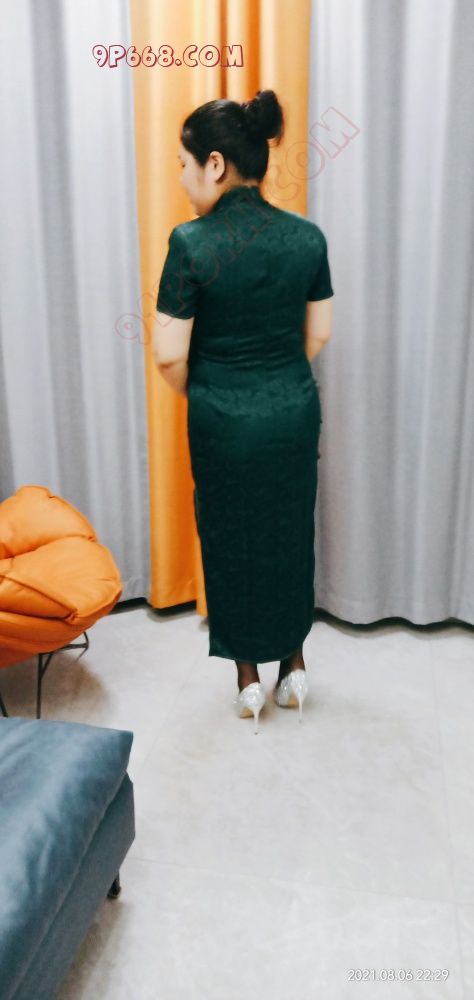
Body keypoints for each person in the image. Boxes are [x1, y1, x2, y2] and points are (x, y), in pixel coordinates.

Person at [154, 90, 334, 734]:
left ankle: (248, 679)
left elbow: (168, 356)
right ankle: (296, 666)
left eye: (184, 164)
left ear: (216, 164)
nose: (181, 179)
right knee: (289, 531)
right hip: (292, 412)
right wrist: (275, 378)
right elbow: (318, 335)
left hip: (223, 420)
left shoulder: (191, 243)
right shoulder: (307, 238)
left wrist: (214, 391)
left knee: (231, 538)